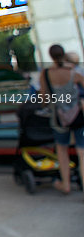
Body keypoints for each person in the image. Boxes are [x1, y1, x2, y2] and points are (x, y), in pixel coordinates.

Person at [39, 44, 84, 195]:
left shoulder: (45, 74)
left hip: (59, 118)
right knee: (82, 153)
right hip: (78, 116)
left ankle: (66, 184)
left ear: (50, 56)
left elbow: (44, 99)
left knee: (62, 150)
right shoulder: (74, 72)